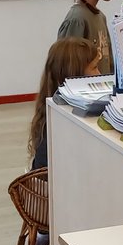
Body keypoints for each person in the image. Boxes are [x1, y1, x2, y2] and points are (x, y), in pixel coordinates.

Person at [28, 37, 100, 172]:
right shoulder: (58, 127)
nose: (99, 74)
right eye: (95, 68)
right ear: (75, 74)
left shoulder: (51, 117)